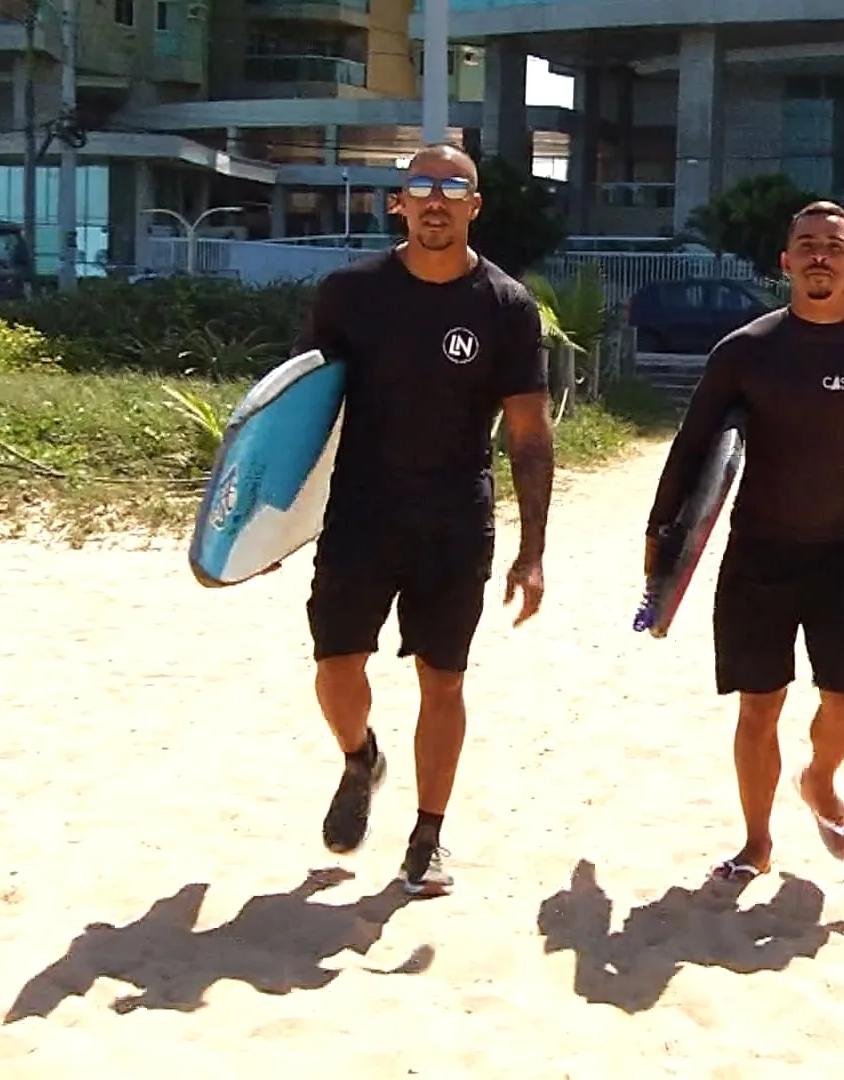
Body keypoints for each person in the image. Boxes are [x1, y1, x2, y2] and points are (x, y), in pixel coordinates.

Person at [284, 143, 555, 898]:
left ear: (475, 205)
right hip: (360, 512)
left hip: (454, 519)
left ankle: (428, 836)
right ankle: (360, 757)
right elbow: (300, 414)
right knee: (336, 669)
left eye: (454, 188)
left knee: (444, 679)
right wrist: (267, 525)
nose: (437, 200)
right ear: (398, 203)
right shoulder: (349, 293)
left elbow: (530, 437)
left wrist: (532, 554)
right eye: (422, 188)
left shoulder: (505, 306)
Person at [642, 200, 844, 882]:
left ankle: (820, 779)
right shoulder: (745, 352)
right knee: (758, 705)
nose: (819, 255)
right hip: (758, 554)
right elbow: (692, 448)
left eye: (833, 245)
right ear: (786, 262)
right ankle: (756, 842)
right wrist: (662, 534)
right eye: (806, 244)